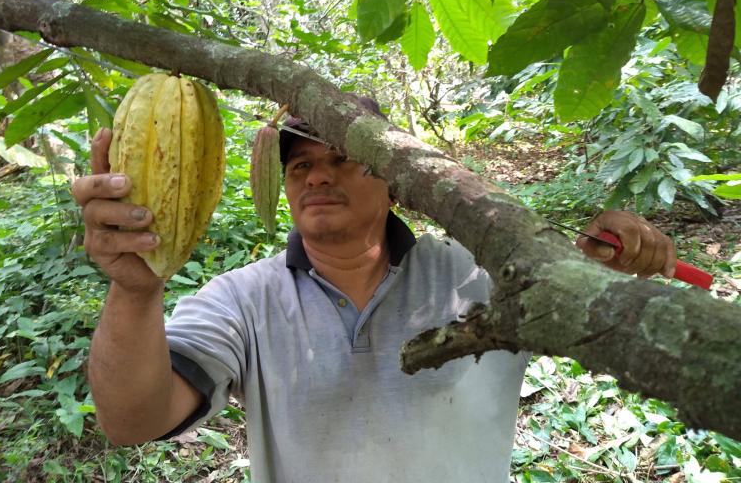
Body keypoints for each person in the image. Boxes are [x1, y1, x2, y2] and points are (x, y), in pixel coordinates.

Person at [72, 115, 677, 482]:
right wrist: (134, 289)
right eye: (300, 164)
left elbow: (583, 293)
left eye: (344, 158)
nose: (316, 176)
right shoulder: (242, 299)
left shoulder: (478, 274)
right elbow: (130, 422)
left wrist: (614, 251)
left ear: (395, 179)